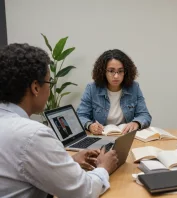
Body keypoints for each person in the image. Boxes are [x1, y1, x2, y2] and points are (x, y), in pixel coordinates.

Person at [0, 43, 118, 197]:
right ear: (36, 87)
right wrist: (104, 167)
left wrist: (69, 163)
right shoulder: (33, 135)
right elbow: (84, 192)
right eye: (49, 83)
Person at [77, 49, 152, 134]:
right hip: (101, 136)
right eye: (111, 71)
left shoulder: (134, 87)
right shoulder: (92, 88)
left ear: (126, 72)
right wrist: (90, 125)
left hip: (125, 136)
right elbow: (80, 116)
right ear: (103, 71)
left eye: (120, 71)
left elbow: (145, 115)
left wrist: (136, 123)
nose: (116, 76)